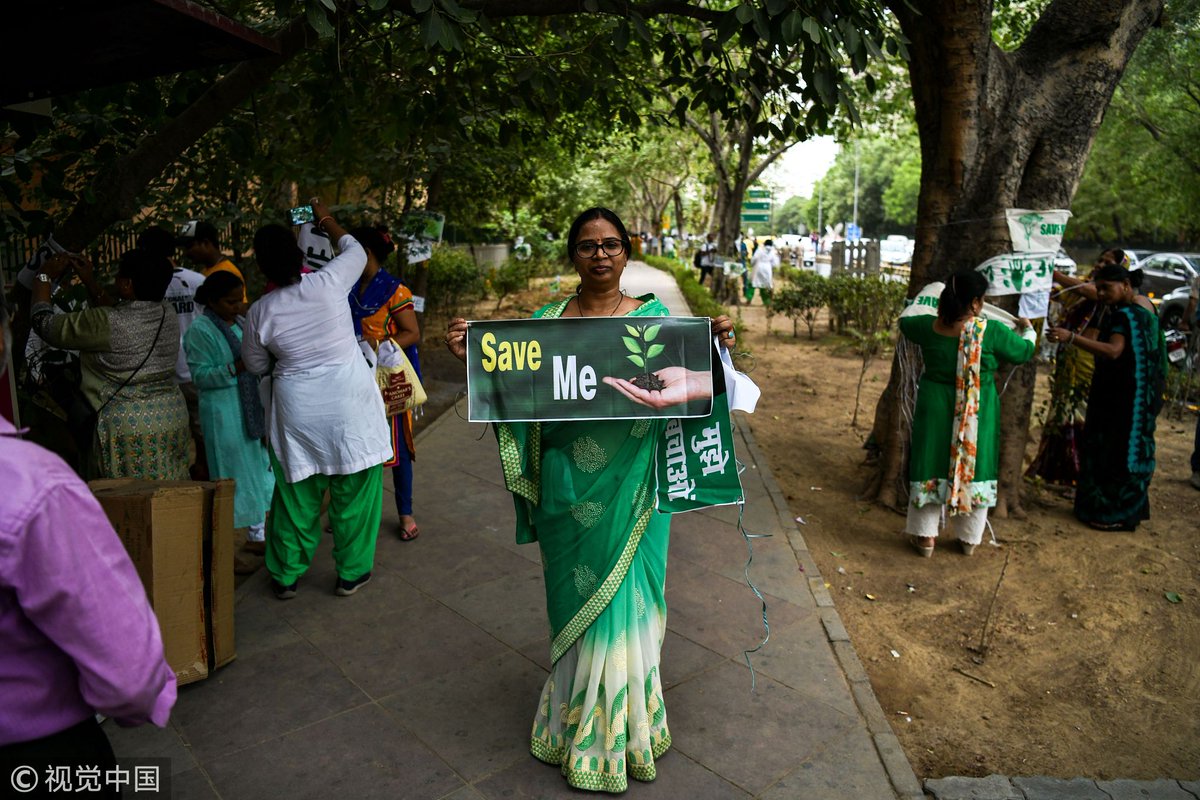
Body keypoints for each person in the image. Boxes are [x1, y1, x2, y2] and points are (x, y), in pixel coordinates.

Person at [445, 207, 735, 792]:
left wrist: (717, 354)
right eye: (587, 246)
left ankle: (624, 734)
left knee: (631, 604)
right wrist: (475, 359)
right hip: (567, 489)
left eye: (611, 244)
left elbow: (707, 391)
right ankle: (576, 722)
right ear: (572, 254)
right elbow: (517, 396)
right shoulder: (546, 324)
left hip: (637, 489)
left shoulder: (658, 323)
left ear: (627, 252)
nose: (600, 254)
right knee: (575, 607)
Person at [0, 299, 177, 796]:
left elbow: (56, 327)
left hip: (123, 428)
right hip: (38, 757)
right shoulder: (31, 486)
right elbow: (128, 677)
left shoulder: (106, 322)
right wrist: (144, 699)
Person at [242, 200, 391, 599]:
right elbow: (357, 250)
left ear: (261, 269)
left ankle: (287, 575)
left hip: (297, 413)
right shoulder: (327, 282)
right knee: (355, 493)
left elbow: (255, 365)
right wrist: (324, 219)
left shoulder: (260, 311)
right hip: (350, 407)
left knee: (295, 496)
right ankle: (351, 574)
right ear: (299, 256)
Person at [901, 270, 1037, 556]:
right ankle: (969, 539)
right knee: (976, 465)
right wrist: (1028, 329)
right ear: (976, 303)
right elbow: (1024, 351)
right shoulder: (993, 332)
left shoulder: (927, 327)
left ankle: (925, 538)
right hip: (978, 411)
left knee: (930, 462)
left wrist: (918, 300)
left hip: (935, 405)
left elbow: (906, 321)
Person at [30, 249, 190, 480]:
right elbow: (120, 310)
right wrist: (90, 282)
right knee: (168, 497)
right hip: (170, 418)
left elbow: (44, 323)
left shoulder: (104, 322)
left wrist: (43, 276)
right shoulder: (167, 312)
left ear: (126, 284)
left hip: (126, 429)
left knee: (126, 502)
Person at [1047, 263, 1166, 531]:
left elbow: (1113, 350)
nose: (1100, 294)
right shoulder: (1144, 306)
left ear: (1125, 285)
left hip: (1122, 398)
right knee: (1126, 448)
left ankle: (1111, 512)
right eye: (1098, 288)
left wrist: (1071, 338)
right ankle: (1123, 512)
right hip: (1140, 395)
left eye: (1106, 288)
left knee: (1113, 449)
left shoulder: (1125, 315)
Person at [183, 270, 275, 557]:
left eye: (240, 300)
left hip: (248, 408)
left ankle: (257, 533)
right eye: (230, 302)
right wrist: (238, 367)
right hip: (223, 412)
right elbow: (200, 376)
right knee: (232, 476)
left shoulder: (240, 322)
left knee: (259, 470)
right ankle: (227, 549)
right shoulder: (199, 331)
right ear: (212, 301)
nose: (237, 307)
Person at [1025, 250, 1126, 491]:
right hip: (1069, 359)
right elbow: (1063, 295)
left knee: (1079, 413)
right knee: (1061, 412)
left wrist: (1054, 273)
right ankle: (1053, 472)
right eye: (1099, 260)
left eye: (1108, 263)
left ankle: (1076, 474)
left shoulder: (1103, 294)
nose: (1100, 264)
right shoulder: (1084, 286)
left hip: (1088, 363)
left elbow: (1085, 291)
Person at [348, 226, 422, 541]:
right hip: (352, 378)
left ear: (366, 253)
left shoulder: (396, 290)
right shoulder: (346, 287)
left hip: (386, 380)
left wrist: (375, 347)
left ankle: (405, 513)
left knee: (398, 448)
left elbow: (412, 334)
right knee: (355, 446)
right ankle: (351, 511)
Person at [142, 224, 210, 479]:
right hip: (197, 368)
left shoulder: (146, 287)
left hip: (163, 374)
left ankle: (178, 483)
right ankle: (205, 474)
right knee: (203, 433)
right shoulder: (197, 281)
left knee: (170, 437)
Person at [178, 220, 248, 303]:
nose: (186, 252)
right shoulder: (206, 271)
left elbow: (239, 309)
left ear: (206, 243)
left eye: (189, 246)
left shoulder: (227, 272)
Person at [746, 238, 780, 306]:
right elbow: (775, 263)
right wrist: (770, 266)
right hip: (767, 268)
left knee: (752, 284)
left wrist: (752, 264)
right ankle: (766, 302)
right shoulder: (773, 251)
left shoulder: (760, 249)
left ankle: (748, 300)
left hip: (758, 267)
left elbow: (754, 258)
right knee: (765, 286)